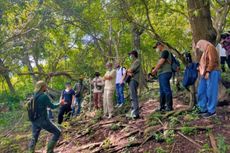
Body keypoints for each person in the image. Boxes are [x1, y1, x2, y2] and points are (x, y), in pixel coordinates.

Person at [28, 81, 61, 153]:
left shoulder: (33, 96)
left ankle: (30, 151)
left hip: (34, 120)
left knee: (34, 137)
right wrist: (60, 103)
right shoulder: (44, 96)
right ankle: (49, 151)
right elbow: (52, 106)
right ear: (42, 87)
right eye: (45, 86)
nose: (46, 87)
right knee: (57, 132)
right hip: (43, 120)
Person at [196, 40, 221, 118]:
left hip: (212, 72)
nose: (199, 48)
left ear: (202, 44)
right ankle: (203, 109)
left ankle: (211, 111)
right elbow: (204, 62)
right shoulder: (205, 50)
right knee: (201, 90)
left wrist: (208, 71)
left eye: (199, 46)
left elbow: (212, 61)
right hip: (205, 73)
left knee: (211, 91)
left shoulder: (210, 47)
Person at [152, 42, 173, 112]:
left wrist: (155, 69)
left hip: (165, 72)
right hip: (161, 73)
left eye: (156, 47)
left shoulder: (165, 51)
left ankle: (169, 107)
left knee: (166, 90)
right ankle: (162, 107)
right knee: (162, 91)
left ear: (160, 45)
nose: (156, 49)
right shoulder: (162, 53)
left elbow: (161, 61)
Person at [127, 50, 141, 119]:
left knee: (134, 96)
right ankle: (133, 112)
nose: (130, 56)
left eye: (131, 55)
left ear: (134, 55)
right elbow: (129, 71)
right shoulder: (133, 62)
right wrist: (128, 71)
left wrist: (129, 71)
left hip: (134, 80)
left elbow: (130, 70)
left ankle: (136, 113)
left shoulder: (137, 61)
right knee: (132, 97)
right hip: (131, 80)